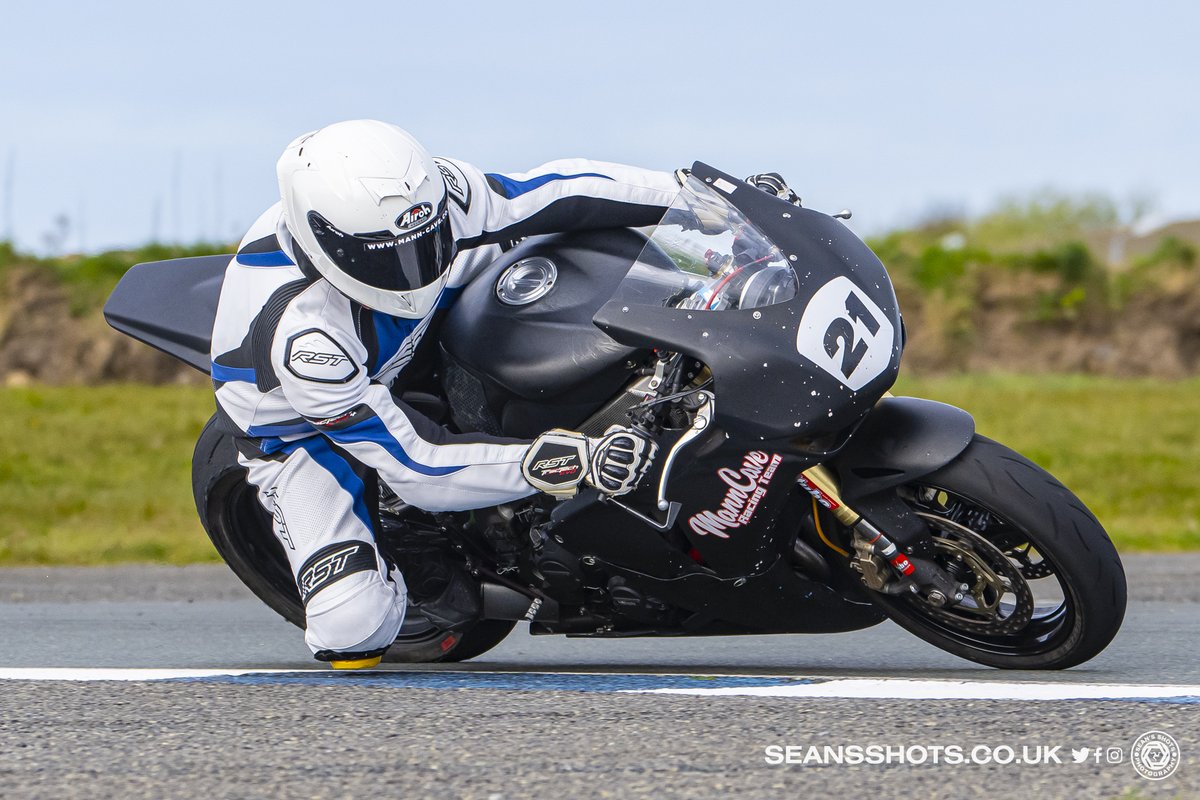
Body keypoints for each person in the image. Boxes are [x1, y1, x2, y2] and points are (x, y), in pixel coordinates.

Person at [208, 120, 677, 669]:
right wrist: (566, 460)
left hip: (414, 326)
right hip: (309, 432)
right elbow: (418, 465)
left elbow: (555, 190)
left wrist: (695, 196)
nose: (408, 267)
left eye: (420, 242)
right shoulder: (305, 337)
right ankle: (398, 539)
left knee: (551, 241)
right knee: (351, 633)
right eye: (382, 255)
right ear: (322, 241)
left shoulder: (430, 201)